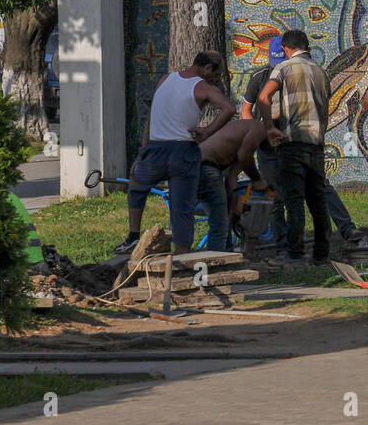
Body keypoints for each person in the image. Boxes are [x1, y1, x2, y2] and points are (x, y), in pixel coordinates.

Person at [241, 37, 364, 247]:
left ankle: (344, 229)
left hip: (295, 140)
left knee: (318, 189)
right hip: (268, 145)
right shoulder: (260, 76)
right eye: (275, 62)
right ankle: (284, 246)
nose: (279, 66)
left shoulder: (300, 73)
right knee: (276, 195)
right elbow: (247, 111)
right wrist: (264, 132)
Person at [116, 52, 235, 256]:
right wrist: (206, 131)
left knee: (137, 189)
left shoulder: (165, 79)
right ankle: (181, 254)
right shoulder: (202, 86)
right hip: (182, 152)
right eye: (216, 74)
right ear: (207, 68)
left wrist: (142, 153)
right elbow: (229, 108)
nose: (216, 80)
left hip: (155, 148)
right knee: (182, 206)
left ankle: (132, 236)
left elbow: (151, 118)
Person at [254, 31, 334, 264]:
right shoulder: (321, 72)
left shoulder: (284, 68)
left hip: (292, 144)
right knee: (318, 202)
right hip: (316, 144)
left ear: (287, 49)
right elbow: (325, 112)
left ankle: (294, 254)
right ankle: (321, 255)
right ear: (306, 46)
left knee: (294, 201)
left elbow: (264, 97)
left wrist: (269, 129)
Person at [196, 118, 270, 251]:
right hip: (206, 166)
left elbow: (232, 179)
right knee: (220, 224)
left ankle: (226, 252)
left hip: (195, 165)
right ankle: (217, 264)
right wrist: (257, 179)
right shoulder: (258, 127)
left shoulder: (239, 140)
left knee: (222, 219)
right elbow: (245, 157)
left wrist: (234, 208)